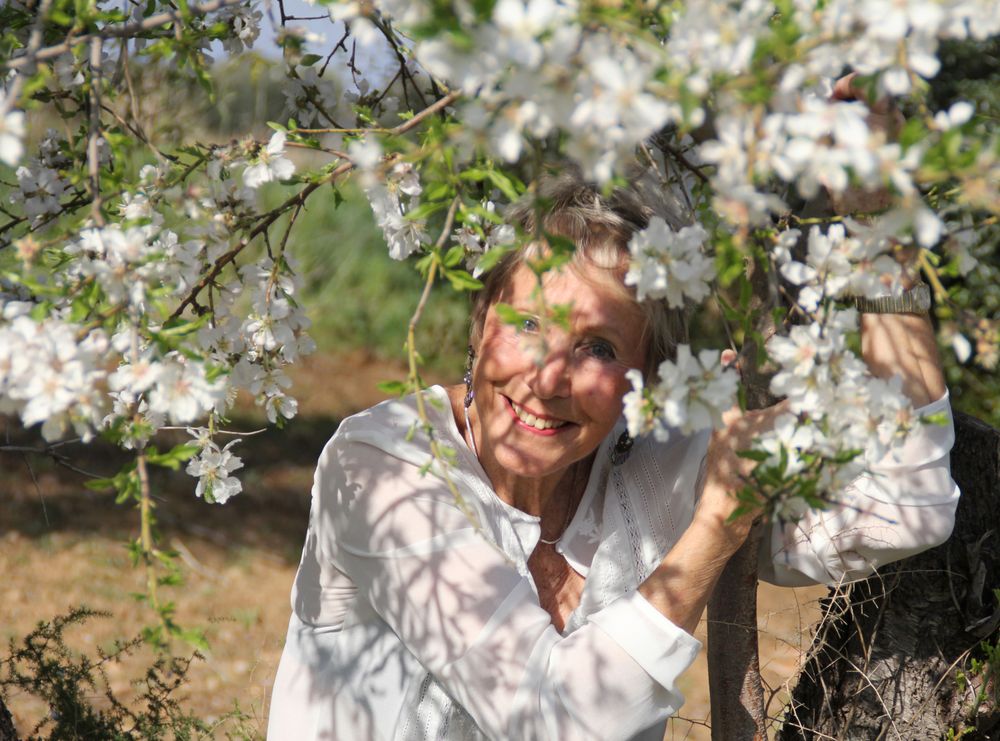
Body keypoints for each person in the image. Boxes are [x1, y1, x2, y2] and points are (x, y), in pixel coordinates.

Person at [267, 169, 960, 740]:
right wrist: (716, 527)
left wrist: (877, 225)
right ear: (480, 322)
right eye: (529, 323)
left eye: (598, 346)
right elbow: (553, 721)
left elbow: (909, 505)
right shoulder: (385, 467)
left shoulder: (663, 461)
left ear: (649, 378)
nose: (546, 379)